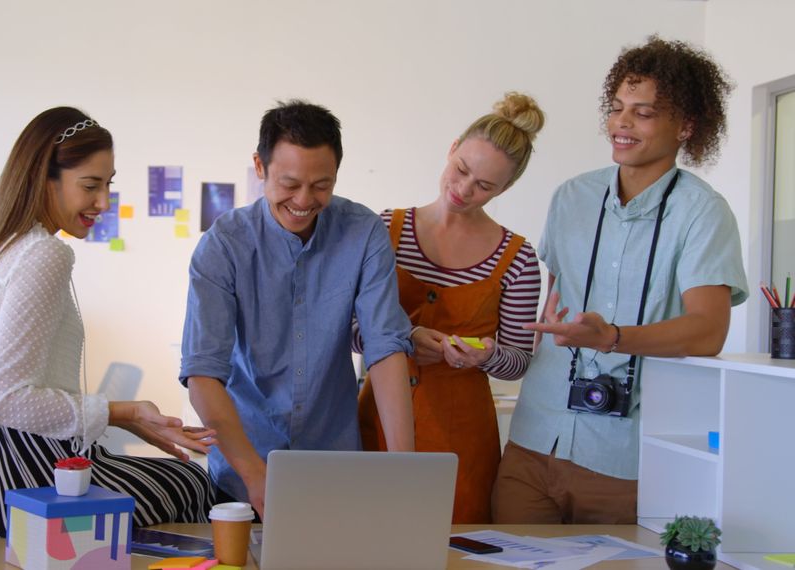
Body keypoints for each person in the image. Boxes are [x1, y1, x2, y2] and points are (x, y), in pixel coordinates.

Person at [491, 36, 748, 524]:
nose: (621, 123)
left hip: (625, 459)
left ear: (686, 127)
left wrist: (612, 338)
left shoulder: (703, 213)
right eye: (616, 108)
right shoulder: (570, 197)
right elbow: (555, 305)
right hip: (532, 440)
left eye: (643, 113)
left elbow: (708, 330)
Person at [0, 107, 217, 537]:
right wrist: (122, 410)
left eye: (108, 185)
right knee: (194, 484)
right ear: (42, 178)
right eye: (90, 186)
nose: (103, 203)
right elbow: (8, 402)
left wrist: (131, 420)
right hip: (16, 471)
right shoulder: (43, 255)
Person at [181, 100, 416, 518]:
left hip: (335, 464)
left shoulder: (363, 233)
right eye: (289, 183)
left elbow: (386, 348)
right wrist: (255, 475)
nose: (304, 200)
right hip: (243, 467)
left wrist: (406, 468)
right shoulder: (224, 245)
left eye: (321, 185)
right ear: (260, 166)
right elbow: (203, 373)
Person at [355, 92, 544, 523]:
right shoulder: (385, 230)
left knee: (454, 547)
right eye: (462, 170)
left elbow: (517, 362)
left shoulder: (517, 258)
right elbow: (346, 325)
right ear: (452, 148)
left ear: (507, 188)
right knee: (368, 537)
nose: (463, 190)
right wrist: (400, 339)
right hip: (379, 417)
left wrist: (487, 355)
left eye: (485, 186)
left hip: (463, 436)